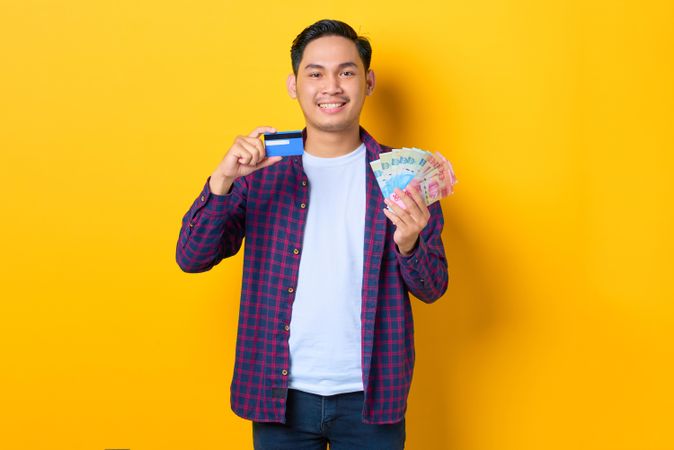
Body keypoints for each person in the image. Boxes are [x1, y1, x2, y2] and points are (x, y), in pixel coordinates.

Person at [176, 19, 448, 450]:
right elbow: (192, 257)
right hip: (279, 396)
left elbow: (433, 287)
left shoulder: (404, 176)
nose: (332, 86)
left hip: (371, 398)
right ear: (293, 84)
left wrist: (410, 244)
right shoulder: (259, 171)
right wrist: (222, 179)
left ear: (368, 81)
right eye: (315, 73)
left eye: (346, 71)